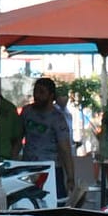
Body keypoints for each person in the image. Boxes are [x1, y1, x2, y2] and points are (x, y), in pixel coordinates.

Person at [20, 76, 74, 204]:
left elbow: (65, 149)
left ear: (51, 95)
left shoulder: (58, 119)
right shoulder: (27, 112)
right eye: (35, 91)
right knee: (28, 204)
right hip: (28, 167)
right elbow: (18, 138)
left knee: (54, 205)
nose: (37, 96)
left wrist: (70, 177)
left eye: (42, 92)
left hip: (52, 170)